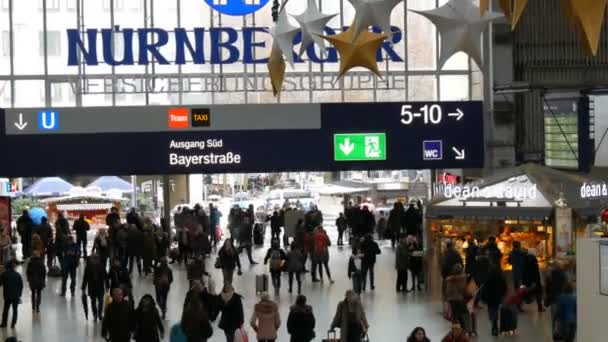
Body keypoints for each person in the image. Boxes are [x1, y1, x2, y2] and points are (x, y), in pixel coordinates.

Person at [480, 266, 507, 336]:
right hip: (498, 297)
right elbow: (504, 287)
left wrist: (483, 298)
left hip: (490, 298)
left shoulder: (487, 277)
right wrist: (503, 294)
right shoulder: (500, 277)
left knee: (491, 310)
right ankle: (495, 323)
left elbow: (484, 288)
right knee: (496, 309)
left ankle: (493, 323)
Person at [82, 254, 109, 322]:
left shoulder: (102, 266)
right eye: (93, 259)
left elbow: (106, 277)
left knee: (100, 301)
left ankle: (99, 314)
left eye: (95, 259)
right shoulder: (88, 267)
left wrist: (107, 286)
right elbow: (85, 278)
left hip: (100, 287)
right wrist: (83, 288)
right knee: (93, 302)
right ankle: (95, 314)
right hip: (92, 287)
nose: (94, 260)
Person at [545, 264, 567, 336]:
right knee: (561, 317)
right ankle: (561, 333)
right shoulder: (563, 275)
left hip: (553, 299)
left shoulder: (549, 276)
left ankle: (555, 334)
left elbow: (547, 289)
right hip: (562, 299)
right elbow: (566, 287)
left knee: (554, 317)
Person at [444, 264, 468, 330]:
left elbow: (448, 290)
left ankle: (459, 329)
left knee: (455, 315)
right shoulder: (462, 278)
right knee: (458, 315)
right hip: (458, 298)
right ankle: (462, 328)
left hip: (454, 299)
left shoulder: (451, 279)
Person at [0, 260, 23, 328]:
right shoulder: (17, 274)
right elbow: (21, 286)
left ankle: (4, 323)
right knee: (15, 310)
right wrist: (19, 294)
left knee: (6, 310)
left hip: (7, 295)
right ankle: (13, 324)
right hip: (16, 296)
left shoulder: (4, 274)